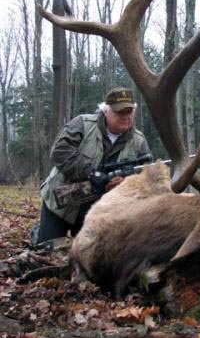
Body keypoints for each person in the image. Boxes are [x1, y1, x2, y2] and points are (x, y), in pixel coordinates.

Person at [34, 87, 151, 244]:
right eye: (120, 112)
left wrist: (125, 184)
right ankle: (38, 234)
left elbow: (146, 176)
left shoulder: (139, 141)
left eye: (129, 112)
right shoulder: (82, 124)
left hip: (95, 212)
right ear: (106, 111)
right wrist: (92, 174)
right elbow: (60, 152)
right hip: (60, 204)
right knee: (46, 251)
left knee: (87, 257)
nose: (125, 117)